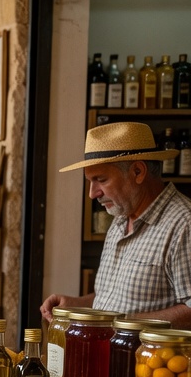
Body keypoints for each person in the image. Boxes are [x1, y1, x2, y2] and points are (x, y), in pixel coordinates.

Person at [41, 122, 191, 325]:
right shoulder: (120, 218)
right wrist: (77, 304)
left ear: (138, 171)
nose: (93, 193)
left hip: (147, 357)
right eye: (90, 182)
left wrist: (125, 324)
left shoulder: (184, 224)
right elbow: (116, 299)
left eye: (101, 179)